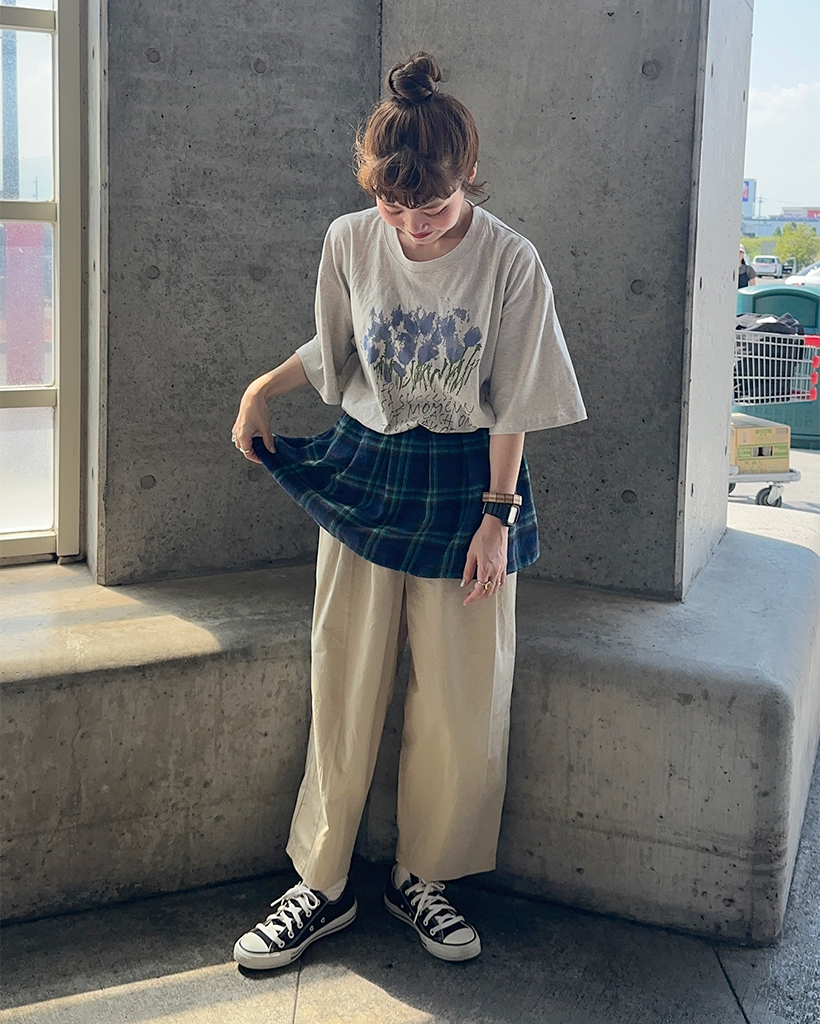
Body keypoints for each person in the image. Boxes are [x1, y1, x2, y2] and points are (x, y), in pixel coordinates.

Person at [230, 52, 586, 969]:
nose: (414, 227)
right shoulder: (350, 239)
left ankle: (424, 877)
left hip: (470, 481)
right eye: (396, 208)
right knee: (342, 678)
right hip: (367, 466)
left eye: (432, 207)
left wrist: (497, 518)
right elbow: (338, 347)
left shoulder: (510, 260)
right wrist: (262, 389)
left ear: (468, 174)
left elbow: (515, 399)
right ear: (374, 187)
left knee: (463, 697)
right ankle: (321, 883)